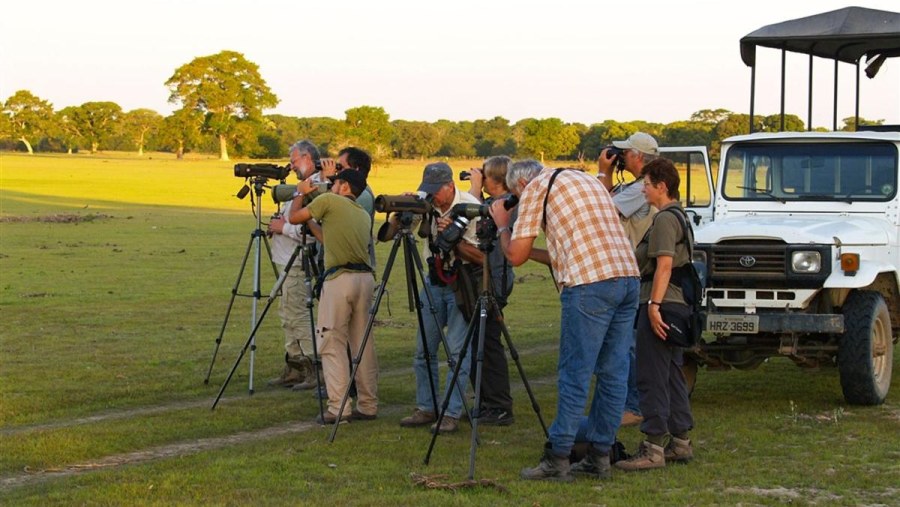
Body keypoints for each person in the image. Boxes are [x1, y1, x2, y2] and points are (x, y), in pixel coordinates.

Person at [491, 159, 639, 482]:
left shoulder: (535, 189)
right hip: (627, 278)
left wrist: (504, 224)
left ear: (521, 186)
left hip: (589, 284)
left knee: (575, 373)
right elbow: (566, 251)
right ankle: (600, 456)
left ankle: (557, 457)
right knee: (614, 374)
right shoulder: (584, 180)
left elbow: (514, 256)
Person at [616, 158, 695, 471]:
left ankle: (652, 449)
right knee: (672, 373)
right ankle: (680, 443)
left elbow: (663, 264)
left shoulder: (664, 220)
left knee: (651, 375)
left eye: (647, 184)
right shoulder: (681, 216)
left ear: (662, 186)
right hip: (676, 305)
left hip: (661, 304)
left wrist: (653, 307)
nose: (643, 189)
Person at [287, 169, 378, 423]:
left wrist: (300, 192)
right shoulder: (361, 213)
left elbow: (293, 217)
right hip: (365, 279)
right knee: (362, 345)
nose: (331, 186)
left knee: (331, 342)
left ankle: (338, 407)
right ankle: (368, 404)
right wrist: (312, 220)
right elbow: (327, 238)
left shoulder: (329, 201)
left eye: (335, 182)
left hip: (340, 280)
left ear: (345, 186)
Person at [399, 162, 483, 434]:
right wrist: (402, 210)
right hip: (433, 282)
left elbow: (483, 257)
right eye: (429, 190)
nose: (433, 195)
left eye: (437, 190)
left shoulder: (470, 208)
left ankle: (451, 412)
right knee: (423, 350)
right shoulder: (427, 204)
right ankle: (427, 406)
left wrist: (454, 238)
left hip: (461, 283)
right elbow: (394, 233)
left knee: (457, 351)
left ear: (451, 186)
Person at [598, 131, 660, 427]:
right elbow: (610, 201)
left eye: (625, 153)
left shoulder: (641, 188)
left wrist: (602, 172)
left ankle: (633, 405)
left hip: (634, 271)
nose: (621, 157)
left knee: (629, 344)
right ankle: (628, 402)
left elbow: (605, 210)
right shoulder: (639, 186)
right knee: (626, 342)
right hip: (632, 270)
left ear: (638, 156)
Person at [464, 156, 516, 426]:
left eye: (483, 174)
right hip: (486, 277)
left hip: (494, 278)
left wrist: (473, 192)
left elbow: (472, 224)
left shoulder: (507, 204)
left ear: (493, 178)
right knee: (478, 341)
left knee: (488, 343)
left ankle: (499, 405)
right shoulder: (494, 203)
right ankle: (486, 402)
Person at [266, 140, 321, 390]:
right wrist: (279, 225)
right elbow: (293, 220)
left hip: (299, 262)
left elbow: (313, 230)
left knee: (298, 315)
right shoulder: (301, 187)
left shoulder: (316, 186)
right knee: (287, 315)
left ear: (308, 158)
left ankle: (314, 367)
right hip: (286, 260)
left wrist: (283, 228)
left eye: (294, 160)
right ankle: (295, 366)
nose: (291, 165)